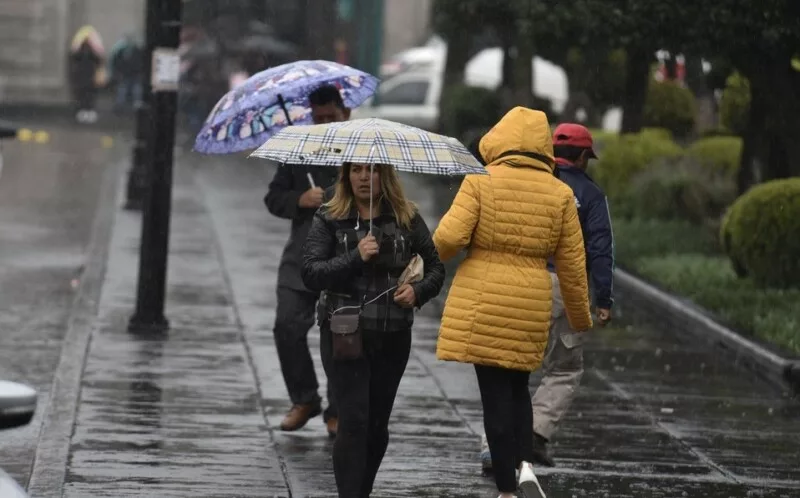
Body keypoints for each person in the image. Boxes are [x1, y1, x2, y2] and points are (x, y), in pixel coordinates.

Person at [433, 107, 593, 498]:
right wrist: (579, 316)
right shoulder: (560, 193)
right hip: (531, 300)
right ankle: (525, 467)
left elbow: (449, 238)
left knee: (493, 396)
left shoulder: (480, 181)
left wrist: (424, 259)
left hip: (483, 299)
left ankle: (506, 487)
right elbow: (573, 264)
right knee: (519, 387)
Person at [479, 123, 615, 474]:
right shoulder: (591, 195)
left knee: (509, 367)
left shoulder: (531, 182)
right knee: (566, 367)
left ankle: (493, 445)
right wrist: (604, 298)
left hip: (518, 282)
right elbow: (600, 249)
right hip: (563, 287)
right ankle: (536, 432)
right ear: (584, 156)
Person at [302, 162, 445, 497]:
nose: (364, 177)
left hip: (392, 334)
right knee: (353, 421)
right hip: (344, 332)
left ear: (386, 176)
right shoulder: (329, 217)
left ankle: (361, 490)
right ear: (346, 176)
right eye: (356, 170)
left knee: (377, 426)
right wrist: (356, 256)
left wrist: (418, 291)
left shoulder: (407, 217)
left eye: (372, 170)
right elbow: (311, 274)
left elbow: (436, 267)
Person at [263, 85, 351, 437]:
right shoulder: (298, 150)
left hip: (344, 259)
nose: (325, 122)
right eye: (319, 117)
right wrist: (300, 198)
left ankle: (339, 409)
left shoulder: (359, 150)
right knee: (287, 326)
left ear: (344, 113)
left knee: (341, 339)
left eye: (331, 116)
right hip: (300, 258)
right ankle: (304, 398)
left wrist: (333, 198)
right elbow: (273, 198)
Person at [69, 26, 105, 124]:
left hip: (84, 76)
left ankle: (85, 111)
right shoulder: (93, 51)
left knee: (85, 95)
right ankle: (86, 111)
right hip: (86, 76)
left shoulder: (78, 50)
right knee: (87, 95)